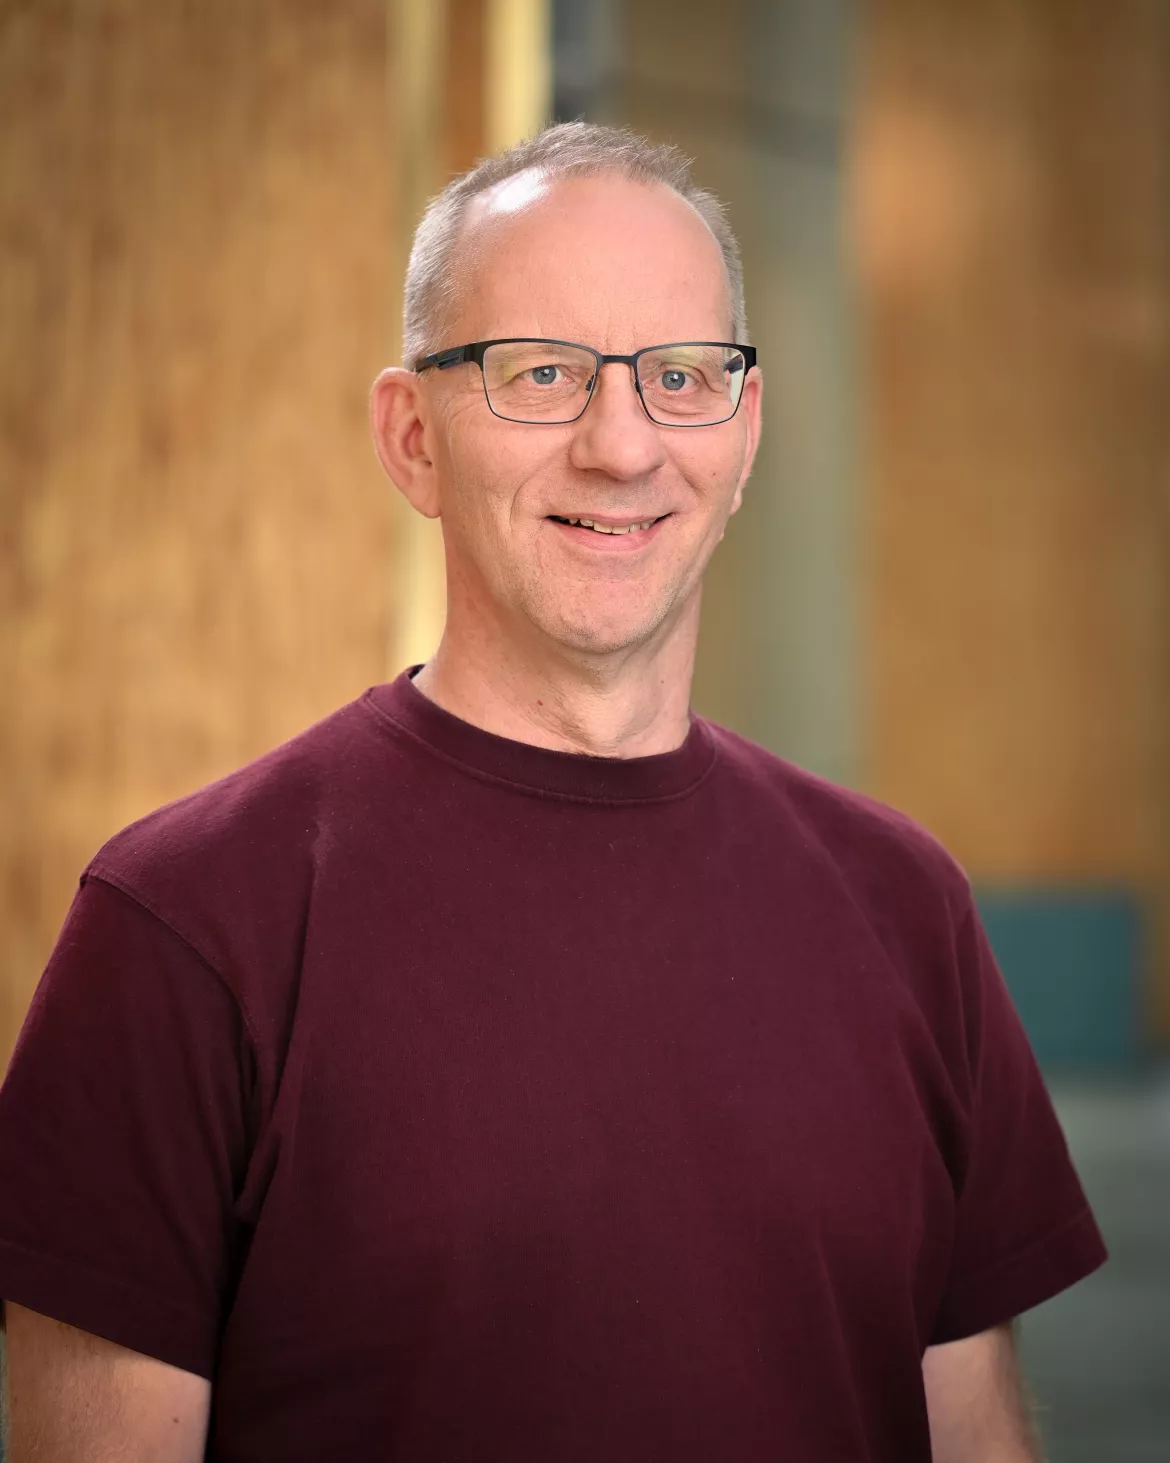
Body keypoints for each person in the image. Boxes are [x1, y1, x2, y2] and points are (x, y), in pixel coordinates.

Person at [0, 122, 1105, 1462]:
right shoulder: (183, 924)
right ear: (412, 437)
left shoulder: (903, 902)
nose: (622, 446)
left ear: (743, 431)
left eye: (682, 377)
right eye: (540, 374)